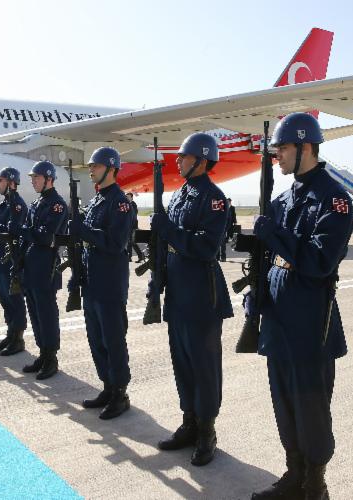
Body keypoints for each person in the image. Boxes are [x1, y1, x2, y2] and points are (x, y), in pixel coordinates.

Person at [248, 113, 353, 500]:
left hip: (310, 319)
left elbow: (319, 261)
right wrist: (256, 293)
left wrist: (274, 233)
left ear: (305, 147)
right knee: (284, 402)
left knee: (311, 406)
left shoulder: (334, 200)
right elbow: (268, 257)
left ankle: (315, 483)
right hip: (278, 316)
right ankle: (294, 473)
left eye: (283, 148)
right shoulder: (283, 198)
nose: (276, 155)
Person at [150, 132, 232, 467]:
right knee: (182, 363)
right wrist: (158, 281)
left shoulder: (214, 199)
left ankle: (207, 432)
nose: (178, 161)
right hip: (178, 293)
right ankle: (189, 423)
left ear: (200, 160)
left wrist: (167, 230)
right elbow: (167, 245)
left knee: (204, 367)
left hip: (201, 295)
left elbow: (205, 247)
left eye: (183, 157)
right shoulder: (180, 194)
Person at [71, 147, 134, 420]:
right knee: (96, 338)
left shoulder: (119, 203)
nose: (91, 170)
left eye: (95, 166)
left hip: (109, 283)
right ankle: (108, 386)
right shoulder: (98, 200)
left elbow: (115, 243)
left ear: (110, 168)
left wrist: (84, 230)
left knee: (113, 340)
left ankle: (120, 393)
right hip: (92, 281)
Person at [21, 160, 67, 380]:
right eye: (32, 178)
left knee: (47, 314)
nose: (33, 181)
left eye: (36, 178)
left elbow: (46, 236)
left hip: (46, 267)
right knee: (35, 313)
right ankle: (42, 352)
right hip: (31, 266)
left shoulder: (57, 205)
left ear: (48, 179)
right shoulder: (37, 202)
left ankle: (51, 358)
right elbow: (32, 232)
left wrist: (27, 231)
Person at [0, 167, 29, 356]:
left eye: (1, 180)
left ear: (11, 182)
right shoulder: (4, 205)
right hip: (0, 258)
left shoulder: (17, 205)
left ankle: (18, 338)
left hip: (11, 259)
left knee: (14, 300)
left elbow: (14, 231)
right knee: (4, 298)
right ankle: (10, 333)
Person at [125, 191, 144, 262]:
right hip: (129, 226)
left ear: (132, 198)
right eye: (126, 197)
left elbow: (133, 215)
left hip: (133, 226)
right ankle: (129, 257)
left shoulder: (133, 205)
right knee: (129, 242)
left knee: (132, 242)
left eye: (128, 197)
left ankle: (140, 256)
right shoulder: (128, 204)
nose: (127, 198)